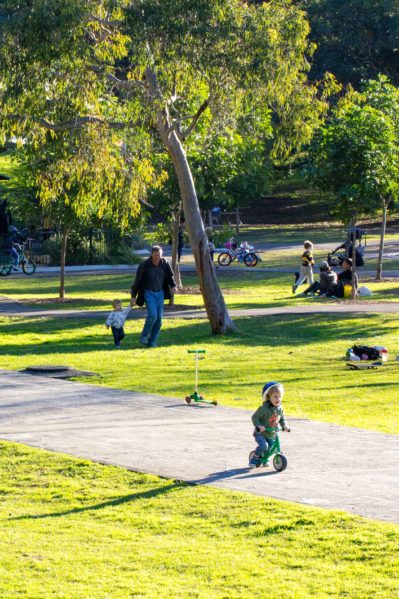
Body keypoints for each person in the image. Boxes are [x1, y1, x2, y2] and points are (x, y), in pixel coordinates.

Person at [131, 245, 176, 348]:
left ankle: (152, 341)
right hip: (148, 292)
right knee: (153, 315)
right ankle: (144, 335)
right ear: (151, 254)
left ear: (161, 254)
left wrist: (173, 286)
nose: (157, 257)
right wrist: (133, 296)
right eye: (155, 255)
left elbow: (170, 276)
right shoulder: (145, 265)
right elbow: (137, 281)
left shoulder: (164, 263)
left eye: (159, 255)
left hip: (160, 293)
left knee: (159, 319)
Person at [249, 382, 290, 469]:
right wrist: (259, 426)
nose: (278, 399)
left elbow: (282, 419)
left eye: (279, 396)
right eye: (275, 396)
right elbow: (255, 417)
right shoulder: (263, 409)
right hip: (261, 433)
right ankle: (254, 458)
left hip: (271, 432)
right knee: (264, 446)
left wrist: (285, 426)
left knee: (271, 448)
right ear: (268, 397)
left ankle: (264, 459)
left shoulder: (280, 409)